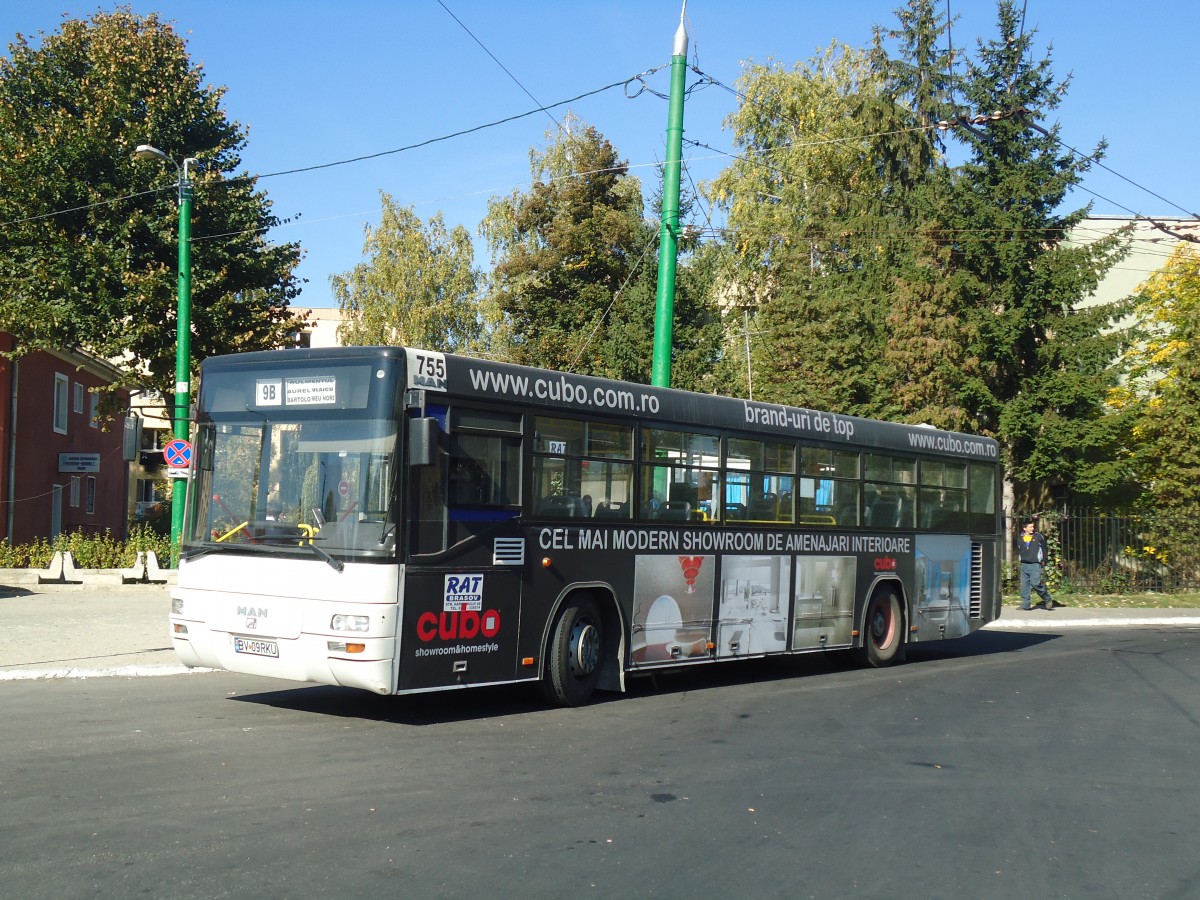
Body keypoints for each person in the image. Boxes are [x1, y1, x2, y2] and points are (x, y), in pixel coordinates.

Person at [1017, 518, 1058, 610]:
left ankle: (1047, 599)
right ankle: (1025, 605)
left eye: (1033, 527)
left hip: (1035, 564)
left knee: (1035, 583)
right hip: (1024, 564)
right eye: (1030, 527)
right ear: (1024, 528)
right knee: (1025, 586)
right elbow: (1019, 549)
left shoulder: (1038, 536)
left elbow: (1044, 549)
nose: (1032, 528)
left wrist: (1044, 560)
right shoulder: (1020, 538)